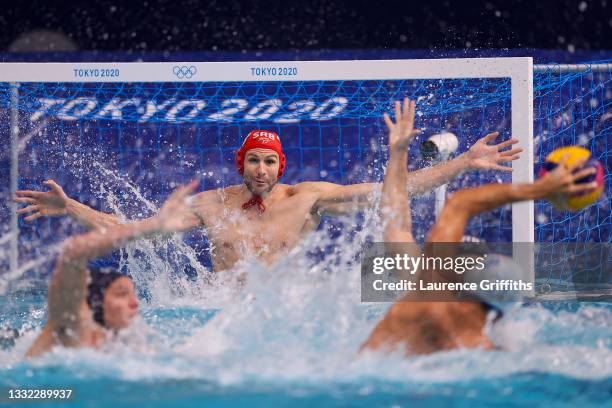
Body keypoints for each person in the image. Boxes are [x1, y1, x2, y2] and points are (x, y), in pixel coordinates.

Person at [14, 104, 522, 273]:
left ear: (282, 166)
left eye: (269, 160)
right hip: (215, 313)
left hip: (278, 313)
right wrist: (71, 206)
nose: (261, 168)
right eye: (253, 159)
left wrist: (464, 162)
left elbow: (394, 191)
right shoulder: (211, 205)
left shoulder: (308, 197)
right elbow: (129, 232)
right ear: (242, 164)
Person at [361, 99, 598, 355]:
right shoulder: (492, 351)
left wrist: (398, 152)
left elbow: (407, 221)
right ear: (502, 315)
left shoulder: (426, 298)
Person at [26, 181, 199, 357]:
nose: (135, 303)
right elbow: (73, 253)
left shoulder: (122, 344)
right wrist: (153, 224)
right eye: (122, 294)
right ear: (95, 302)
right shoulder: (71, 327)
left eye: (133, 294)